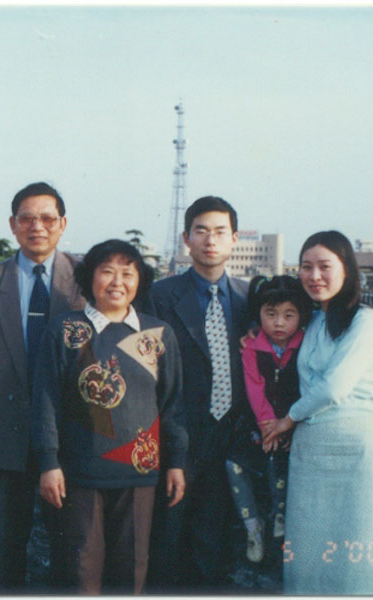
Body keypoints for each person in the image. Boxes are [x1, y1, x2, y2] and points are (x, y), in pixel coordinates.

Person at [31, 239, 187, 594]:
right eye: (107, 272)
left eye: (127, 273)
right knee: (81, 567)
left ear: (140, 280)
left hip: (140, 472)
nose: (118, 282)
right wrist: (48, 462)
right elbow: (46, 401)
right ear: (90, 278)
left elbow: (172, 403)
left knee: (132, 569)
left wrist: (176, 460)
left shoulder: (157, 334)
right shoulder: (65, 331)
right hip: (78, 472)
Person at [0, 181, 85, 590]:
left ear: (63, 224)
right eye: (27, 218)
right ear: (13, 224)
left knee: (69, 546)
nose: (37, 227)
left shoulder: (84, 279)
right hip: (6, 433)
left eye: (48, 218)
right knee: (7, 545)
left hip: (69, 437)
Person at [261, 231, 373, 594]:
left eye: (324, 266)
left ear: (346, 270)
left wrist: (288, 419)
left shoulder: (366, 321)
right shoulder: (313, 321)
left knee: (355, 548)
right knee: (307, 551)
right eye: (306, 267)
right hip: (311, 448)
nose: (314, 276)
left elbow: (336, 387)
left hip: (355, 449)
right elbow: (275, 346)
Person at [146, 195, 249, 590]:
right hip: (176, 441)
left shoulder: (248, 297)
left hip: (230, 440)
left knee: (214, 548)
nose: (211, 241)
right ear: (186, 238)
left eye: (220, 232)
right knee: (167, 545)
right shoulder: (160, 295)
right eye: (201, 231)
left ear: (234, 239)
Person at [227, 275, 312, 564]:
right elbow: (254, 387)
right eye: (271, 314)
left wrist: (286, 425)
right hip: (261, 425)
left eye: (289, 315)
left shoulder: (307, 344)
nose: (279, 323)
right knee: (233, 464)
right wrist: (267, 426)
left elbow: (308, 388)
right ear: (259, 314)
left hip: (293, 424)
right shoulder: (252, 346)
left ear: (301, 317)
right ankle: (253, 527)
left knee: (280, 467)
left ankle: (280, 519)